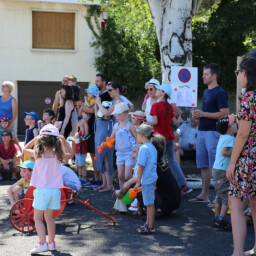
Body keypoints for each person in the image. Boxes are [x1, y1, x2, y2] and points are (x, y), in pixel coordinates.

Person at [23, 124, 74, 253]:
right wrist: (64, 141)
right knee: (50, 218)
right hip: (56, 191)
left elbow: (24, 149)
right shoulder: (59, 155)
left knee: (38, 218)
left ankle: (42, 244)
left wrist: (35, 139)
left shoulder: (38, 154)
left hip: (42, 191)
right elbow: (72, 154)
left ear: (42, 140)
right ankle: (51, 243)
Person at [226, 58, 256, 256]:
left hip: (248, 158)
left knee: (235, 203)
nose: (238, 76)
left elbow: (243, 134)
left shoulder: (249, 98)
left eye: (238, 72)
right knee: (254, 204)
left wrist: (232, 162)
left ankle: (237, 252)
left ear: (245, 73)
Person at [190, 63, 229, 202]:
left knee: (216, 166)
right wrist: (198, 117)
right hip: (202, 132)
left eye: (206, 74)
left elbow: (224, 114)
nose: (203, 76)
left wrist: (203, 114)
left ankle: (220, 199)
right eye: (203, 74)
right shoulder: (206, 91)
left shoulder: (220, 92)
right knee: (203, 165)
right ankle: (204, 195)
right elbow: (207, 113)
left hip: (213, 132)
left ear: (214, 76)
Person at [149, 84, 192, 195]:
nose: (156, 90)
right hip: (169, 137)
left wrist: (145, 123)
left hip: (159, 138)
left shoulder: (155, 106)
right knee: (172, 162)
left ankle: (162, 186)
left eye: (159, 89)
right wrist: (179, 116)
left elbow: (155, 122)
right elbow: (175, 123)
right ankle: (184, 185)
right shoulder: (169, 106)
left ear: (163, 93)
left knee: (159, 162)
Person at [94, 80, 124, 192]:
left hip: (108, 131)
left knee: (107, 156)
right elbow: (98, 114)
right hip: (102, 130)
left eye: (110, 90)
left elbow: (106, 113)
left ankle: (110, 185)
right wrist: (97, 103)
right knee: (102, 157)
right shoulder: (111, 101)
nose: (108, 92)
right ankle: (105, 183)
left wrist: (98, 103)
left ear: (117, 90)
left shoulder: (118, 101)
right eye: (107, 90)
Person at [212, 115, 237, 231]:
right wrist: (237, 155)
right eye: (233, 124)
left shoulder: (223, 136)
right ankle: (221, 219)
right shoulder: (230, 139)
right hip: (222, 170)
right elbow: (224, 152)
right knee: (226, 195)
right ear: (229, 128)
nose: (236, 125)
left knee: (219, 195)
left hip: (217, 169)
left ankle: (216, 218)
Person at [134, 124, 157, 234]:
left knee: (149, 203)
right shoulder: (152, 147)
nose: (137, 137)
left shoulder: (143, 148)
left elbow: (141, 166)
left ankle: (151, 226)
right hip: (151, 178)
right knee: (148, 203)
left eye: (137, 135)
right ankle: (148, 224)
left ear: (141, 135)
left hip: (147, 179)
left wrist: (138, 182)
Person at [152, 134, 181, 217]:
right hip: (174, 201)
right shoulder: (161, 164)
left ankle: (160, 209)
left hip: (168, 203)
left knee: (143, 187)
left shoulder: (154, 166)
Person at [111, 102, 136, 189]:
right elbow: (111, 139)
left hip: (129, 152)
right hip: (119, 153)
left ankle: (133, 191)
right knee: (120, 176)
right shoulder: (116, 126)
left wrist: (136, 149)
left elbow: (137, 138)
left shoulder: (130, 126)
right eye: (116, 114)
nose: (116, 116)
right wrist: (106, 143)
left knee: (128, 175)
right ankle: (122, 193)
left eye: (119, 114)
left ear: (126, 114)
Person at [0, 81, 20, 149]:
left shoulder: (13, 100)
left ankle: (21, 156)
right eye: (2, 85)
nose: (2, 87)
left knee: (14, 140)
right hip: (0, 123)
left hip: (9, 123)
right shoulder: (0, 98)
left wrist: (10, 126)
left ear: (9, 88)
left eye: (4, 86)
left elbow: (15, 114)